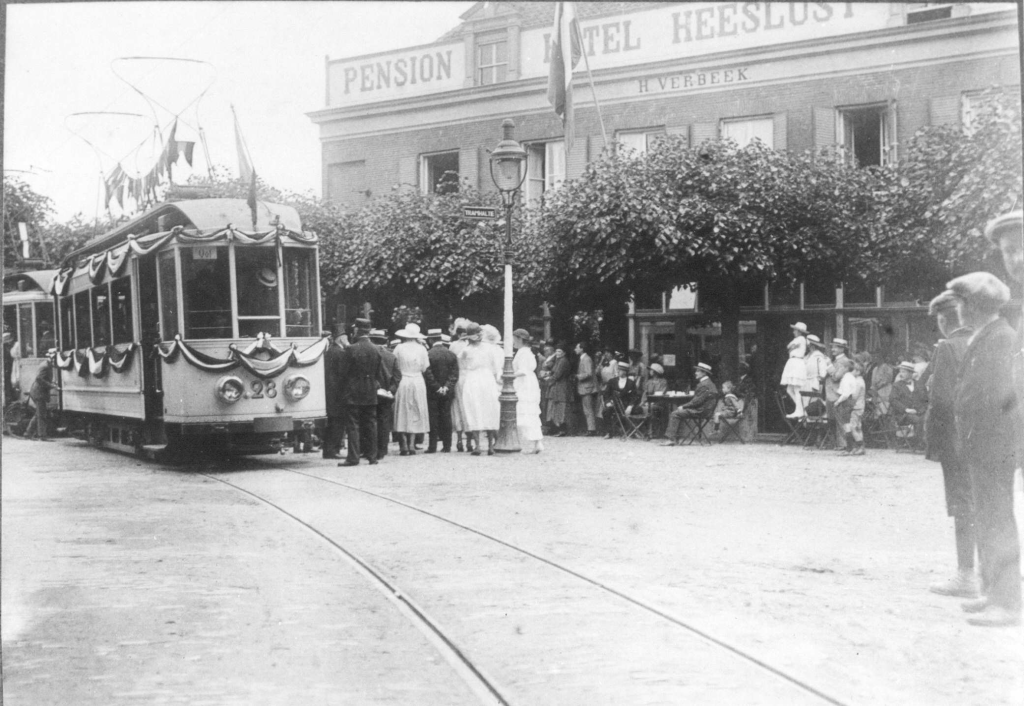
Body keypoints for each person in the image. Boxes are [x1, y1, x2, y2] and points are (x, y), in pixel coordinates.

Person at [948, 271, 1021, 627]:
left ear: (973, 305)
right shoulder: (989, 336)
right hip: (982, 444)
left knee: (997, 521)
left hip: (992, 445)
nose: (958, 309)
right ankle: (993, 592)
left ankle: (1007, 603)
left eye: (961, 303)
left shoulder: (1000, 339)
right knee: (988, 518)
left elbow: (998, 397)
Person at [923, 289, 978, 599]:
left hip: (956, 440)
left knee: (961, 506)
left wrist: (933, 442)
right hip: (986, 438)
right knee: (985, 504)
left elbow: (940, 400)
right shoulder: (986, 340)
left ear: (945, 318)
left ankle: (965, 574)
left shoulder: (948, 347)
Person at [336, 318, 386, 467]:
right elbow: (379, 373)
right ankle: (373, 457)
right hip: (370, 391)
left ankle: (353, 457)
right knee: (371, 424)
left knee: (353, 425)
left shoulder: (351, 349)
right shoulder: (376, 349)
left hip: (353, 391)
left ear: (357, 330)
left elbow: (342, 373)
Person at [457, 322, 501, 455]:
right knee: (486, 409)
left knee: (475, 409)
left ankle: (478, 446)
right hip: (486, 379)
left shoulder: (466, 350)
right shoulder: (489, 349)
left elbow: (463, 367)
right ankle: (489, 445)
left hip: (473, 379)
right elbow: (495, 367)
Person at [393, 323, 433, 456]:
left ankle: (404, 443)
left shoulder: (399, 348)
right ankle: (411, 444)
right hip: (417, 380)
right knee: (416, 410)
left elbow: (395, 365)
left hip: (403, 380)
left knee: (403, 410)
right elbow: (425, 367)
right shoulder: (422, 349)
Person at [660, 363, 719, 446]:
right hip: (706, 411)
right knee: (679, 412)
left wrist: (683, 406)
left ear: (704, 373)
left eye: (698, 371)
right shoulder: (710, 384)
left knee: (675, 413)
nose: (695, 373)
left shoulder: (704, 385)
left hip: (700, 411)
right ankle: (675, 438)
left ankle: (671, 439)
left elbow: (697, 401)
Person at [426, 329, 459, 453]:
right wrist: (446, 387)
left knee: (433, 417)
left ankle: (432, 446)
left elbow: (428, 374)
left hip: (432, 391)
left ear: (430, 340)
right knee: (446, 417)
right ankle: (447, 446)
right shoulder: (451, 354)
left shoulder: (428, 354)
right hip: (447, 392)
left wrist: (436, 387)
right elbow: (454, 374)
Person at [512, 328, 544, 454]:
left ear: (520, 339)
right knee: (529, 412)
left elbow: (523, 371)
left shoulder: (523, 352)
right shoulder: (525, 351)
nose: (513, 342)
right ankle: (536, 442)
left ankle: (530, 442)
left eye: (515, 339)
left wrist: (509, 375)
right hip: (528, 383)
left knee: (524, 411)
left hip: (524, 384)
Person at [371, 329, 401, 460]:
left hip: (371, 392)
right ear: (385, 341)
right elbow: (397, 376)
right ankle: (382, 450)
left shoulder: (370, 354)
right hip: (387, 393)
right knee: (384, 422)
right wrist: (391, 390)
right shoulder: (391, 356)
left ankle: (371, 449)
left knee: (371, 421)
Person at [322, 328, 347, 460]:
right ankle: (333, 449)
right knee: (337, 422)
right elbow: (342, 374)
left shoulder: (330, 351)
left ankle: (328, 449)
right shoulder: (339, 352)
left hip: (330, 392)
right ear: (341, 339)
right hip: (338, 393)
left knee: (332, 422)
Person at [825, 338, 853, 450]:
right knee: (832, 419)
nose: (833, 349)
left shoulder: (844, 361)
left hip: (837, 395)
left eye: (835, 347)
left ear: (842, 349)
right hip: (831, 394)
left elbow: (836, 377)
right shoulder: (836, 360)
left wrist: (828, 365)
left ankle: (844, 444)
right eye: (832, 347)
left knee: (840, 420)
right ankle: (836, 443)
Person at [834, 361, 867, 456]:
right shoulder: (861, 381)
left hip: (856, 407)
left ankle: (857, 447)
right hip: (860, 406)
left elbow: (854, 396)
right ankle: (858, 447)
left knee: (852, 427)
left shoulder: (858, 382)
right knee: (857, 427)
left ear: (858, 372)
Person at [449, 319, 472, 452]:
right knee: (468, 407)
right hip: (469, 377)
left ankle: (459, 440)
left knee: (457, 407)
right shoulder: (471, 346)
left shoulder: (453, 346)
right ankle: (469, 440)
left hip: (458, 378)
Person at [891, 361, 927, 443]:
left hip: (919, 412)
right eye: (900, 371)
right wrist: (906, 409)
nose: (901, 374)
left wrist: (918, 410)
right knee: (919, 420)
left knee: (930, 419)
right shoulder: (897, 386)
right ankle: (919, 442)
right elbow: (893, 400)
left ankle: (928, 444)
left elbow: (926, 401)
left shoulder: (920, 385)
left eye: (903, 372)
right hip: (903, 414)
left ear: (911, 373)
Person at [602, 361, 640, 439]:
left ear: (625, 372)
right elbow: (606, 394)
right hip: (615, 405)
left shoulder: (631, 383)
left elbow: (635, 396)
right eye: (618, 370)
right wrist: (608, 402)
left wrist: (630, 406)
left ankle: (633, 431)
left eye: (620, 370)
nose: (618, 371)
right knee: (606, 411)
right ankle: (609, 432)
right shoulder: (612, 381)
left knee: (638, 410)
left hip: (626, 406)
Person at [24, 358, 57, 441]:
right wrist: (51, 385)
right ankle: (42, 436)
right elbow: (39, 379)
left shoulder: (46, 364)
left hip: (38, 392)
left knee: (39, 413)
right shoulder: (45, 366)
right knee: (41, 415)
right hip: (39, 393)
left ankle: (27, 434)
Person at [781, 322, 809, 418]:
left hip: (797, 363)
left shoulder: (800, 339)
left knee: (797, 389)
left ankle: (799, 410)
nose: (793, 332)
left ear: (799, 331)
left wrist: (791, 346)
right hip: (793, 363)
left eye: (795, 330)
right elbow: (789, 347)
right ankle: (800, 408)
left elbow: (789, 347)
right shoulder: (798, 339)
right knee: (789, 389)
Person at [545, 343, 572, 437]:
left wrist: (549, 379)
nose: (557, 353)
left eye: (559, 351)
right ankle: (557, 428)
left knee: (561, 408)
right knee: (556, 409)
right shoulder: (558, 360)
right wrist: (549, 373)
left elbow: (558, 374)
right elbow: (554, 371)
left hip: (562, 386)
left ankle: (562, 429)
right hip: (558, 386)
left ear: (564, 353)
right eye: (556, 351)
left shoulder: (563, 361)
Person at [575, 341, 600, 437]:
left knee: (588, 408)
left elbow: (588, 373)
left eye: (577, 348)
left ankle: (591, 429)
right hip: (585, 387)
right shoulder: (583, 358)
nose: (575, 349)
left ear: (582, 349)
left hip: (587, 387)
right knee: (587, 408)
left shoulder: (586, 359)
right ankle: (591, 428)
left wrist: (578, 376)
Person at [3, 330, 16, 406]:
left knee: (8, 383)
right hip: (6, 368)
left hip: (8, 367)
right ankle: (8, 399)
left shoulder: (6, 348)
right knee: (7, 383)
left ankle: (9, 397)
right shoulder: (4, 349)